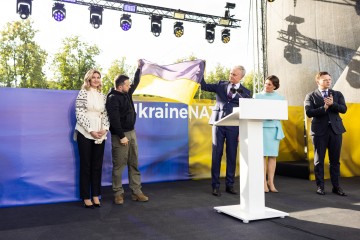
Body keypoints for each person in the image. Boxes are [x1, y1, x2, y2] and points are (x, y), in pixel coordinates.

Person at [200, 65, 251, 196]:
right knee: (216, 155)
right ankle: (215, 186)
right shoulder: (220, 84)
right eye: (230, 73)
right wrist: (200, 71)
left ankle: (230, 185)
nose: (231, 76)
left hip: (234, 127)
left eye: (234, 75)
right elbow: (204, 86)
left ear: (241, 77)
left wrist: (242, 131)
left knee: (231, 156)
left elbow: (246, 113)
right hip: (218, 124)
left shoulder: (245, 92)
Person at [106, 60, 149, 204]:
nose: (130, 86)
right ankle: (118, 193)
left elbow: (135, 82)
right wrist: (122, 136)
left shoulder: (127, 93)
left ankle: (136, 191)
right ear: (120, 86)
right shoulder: (112, 99)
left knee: (134, 163)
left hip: (132, 133)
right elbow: (114, 120)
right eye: (127, 84)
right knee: (119, 165)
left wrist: (139, 68)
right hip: (120, 136)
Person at [304, 71, 347, 196]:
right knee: (319, 160)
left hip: (336, 130)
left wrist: (333, 104)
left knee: (335, 160)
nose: (328, 81)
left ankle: (336, 186)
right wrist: (324, 108)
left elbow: (343, 109)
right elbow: (309, 112)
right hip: (319, 132)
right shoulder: (310, 95)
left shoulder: (337, 94)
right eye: (325, 80)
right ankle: (320, 186)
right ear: (318, 81)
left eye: (329, 79)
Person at [74, 69, 109, 208]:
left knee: (97, 165)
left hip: (100, 132)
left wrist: (104, 129)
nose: (96, 79)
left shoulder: (103, 96)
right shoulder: (83, 93)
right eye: (93, 77)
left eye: (98, 77)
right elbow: (80, 113)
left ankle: (95, 195)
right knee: (86, 165)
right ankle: (85, 196)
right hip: (85, 132)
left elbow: (106, 114)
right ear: (88, 79)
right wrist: (91, 130)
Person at [254, 75, 285, 193]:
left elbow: (282, 114)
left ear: (275, 86)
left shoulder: (280, 98)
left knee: (272, 156)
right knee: (262, 156)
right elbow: (254, 112)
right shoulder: (256, 96)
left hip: (274, 129)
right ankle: (262, 183)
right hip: (261, 128)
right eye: (266, 83)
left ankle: (271, 182)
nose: (266, 86)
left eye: (270, 84)